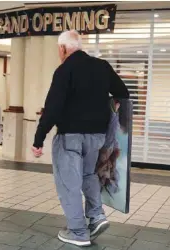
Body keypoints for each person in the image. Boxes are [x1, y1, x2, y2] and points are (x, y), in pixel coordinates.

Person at [32, 30, 129, 247]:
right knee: (88, 176)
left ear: (63, 48)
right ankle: (96, 217)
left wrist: (38, 140)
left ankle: (77, 232)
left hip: (70, 137)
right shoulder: (102, 66)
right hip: (96, 137)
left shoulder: (64, 70)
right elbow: (122, 92)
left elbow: (53, 108)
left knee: (69, 184)